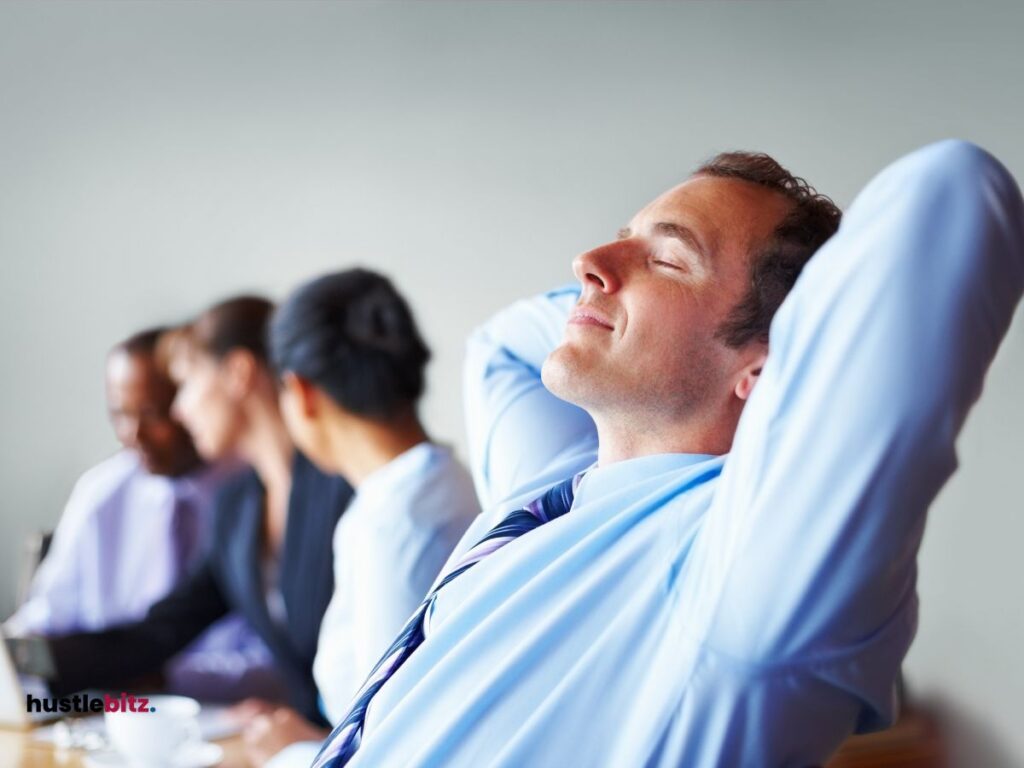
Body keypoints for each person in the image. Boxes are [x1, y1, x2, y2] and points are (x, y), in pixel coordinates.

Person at [311, 141, 1024, 767]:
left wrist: (784, 365)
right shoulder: (546, 492)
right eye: (623, 239)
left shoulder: (745, 566)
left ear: (773, 371)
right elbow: (503, 347)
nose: (588, 263)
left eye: (667, 259)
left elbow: (951, 192)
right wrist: (633, 293)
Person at [34, 297, 354, 726]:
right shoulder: (237, 507)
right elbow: (159, 632)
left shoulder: (342, 485)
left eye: (185, 384)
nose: (181, 410)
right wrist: (34, 659)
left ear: (238, 374)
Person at [241, 269, 479, 766]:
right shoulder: (442, 481)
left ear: (300, 392)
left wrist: (299, 749)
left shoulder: (392, 524)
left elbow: (396, 748)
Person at [3, 328, 270, 700]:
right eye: (120, 415)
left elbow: (282, 661)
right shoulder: (100, 494)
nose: (134, 435)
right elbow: (45, 619)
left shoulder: (251, 497)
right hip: (108, 710)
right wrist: (18, 658)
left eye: (152, 413)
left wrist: (164, 677)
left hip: (226, 714)